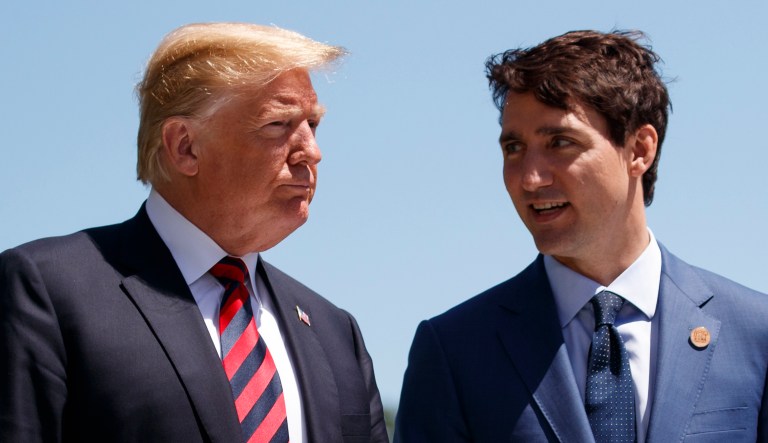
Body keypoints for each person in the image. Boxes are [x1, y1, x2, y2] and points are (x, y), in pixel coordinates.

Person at [0, 22, 388, 443]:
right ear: (184, 146)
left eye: (313, 125)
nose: (311, 151)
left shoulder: (335, 333)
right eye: (279, 124)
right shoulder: (49, 291)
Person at [394, 30, 768, 442]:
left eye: (560, 142)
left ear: (640, 149)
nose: (530, 179)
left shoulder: (755, 334)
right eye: (514, 148)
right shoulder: (455, 351)